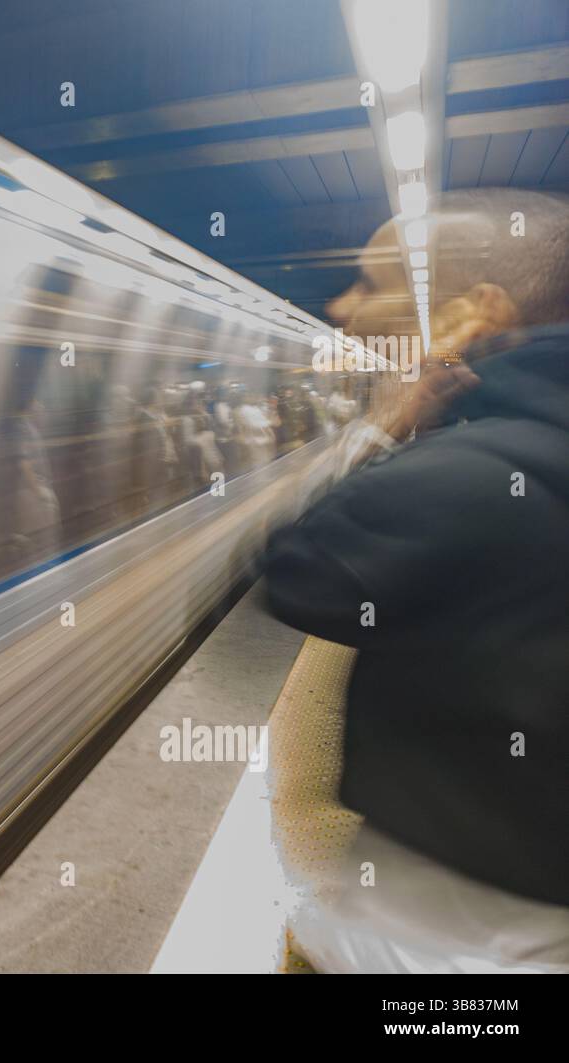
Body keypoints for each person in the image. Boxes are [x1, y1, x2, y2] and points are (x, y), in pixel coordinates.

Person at [262, 188, 569, 972]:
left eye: (374, 279)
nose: (343, 305)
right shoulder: (503, 439)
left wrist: (393, 421)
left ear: (477, 311)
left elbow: (302, 566)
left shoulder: (485, 460)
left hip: (435, 959)